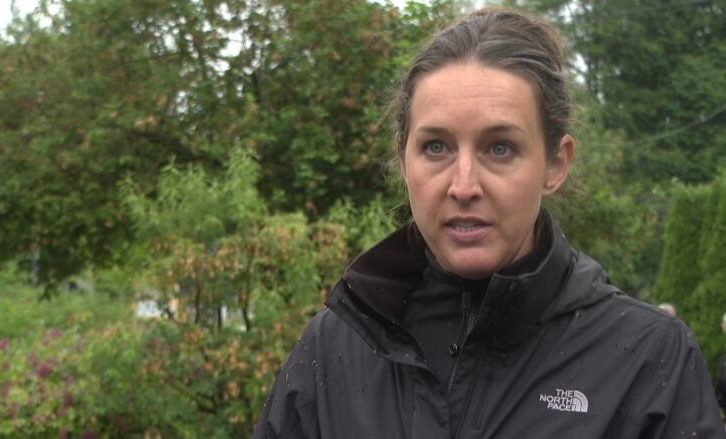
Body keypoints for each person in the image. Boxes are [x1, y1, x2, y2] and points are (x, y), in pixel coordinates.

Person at [253, 7, 724, 438]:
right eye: (435, 146)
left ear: (556, 164)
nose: (463, 185)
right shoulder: (332, 348)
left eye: (500, 148)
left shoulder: (649, 358)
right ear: (403, 160)